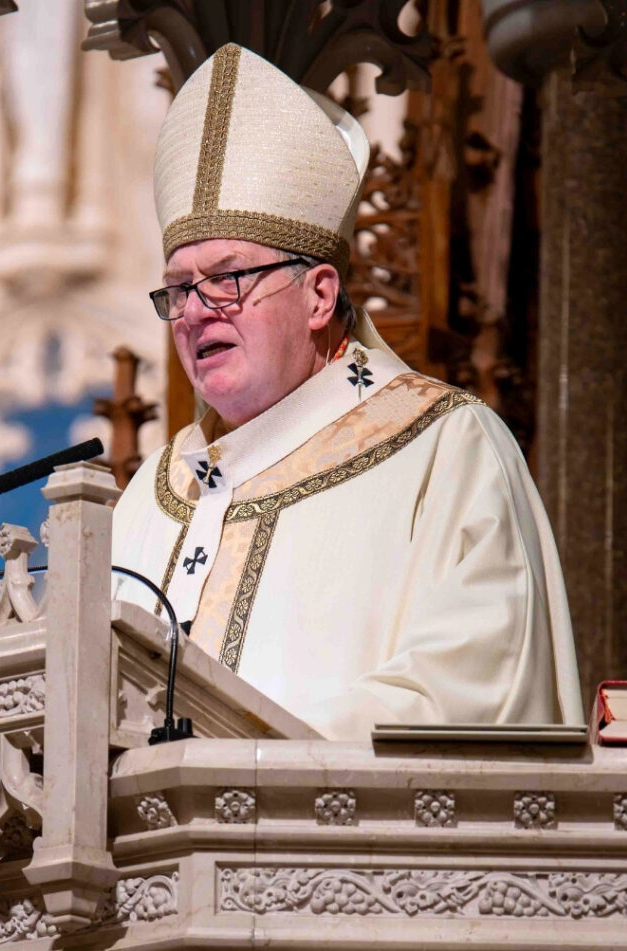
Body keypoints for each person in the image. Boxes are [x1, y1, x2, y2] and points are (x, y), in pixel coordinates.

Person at [112, 43, 584, 739]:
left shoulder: (446, 449)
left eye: (229, 278)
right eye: (178, 288)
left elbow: (474, 694)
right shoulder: (149, 496)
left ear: (319, 295)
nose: (196, 310)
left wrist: (237, 753)